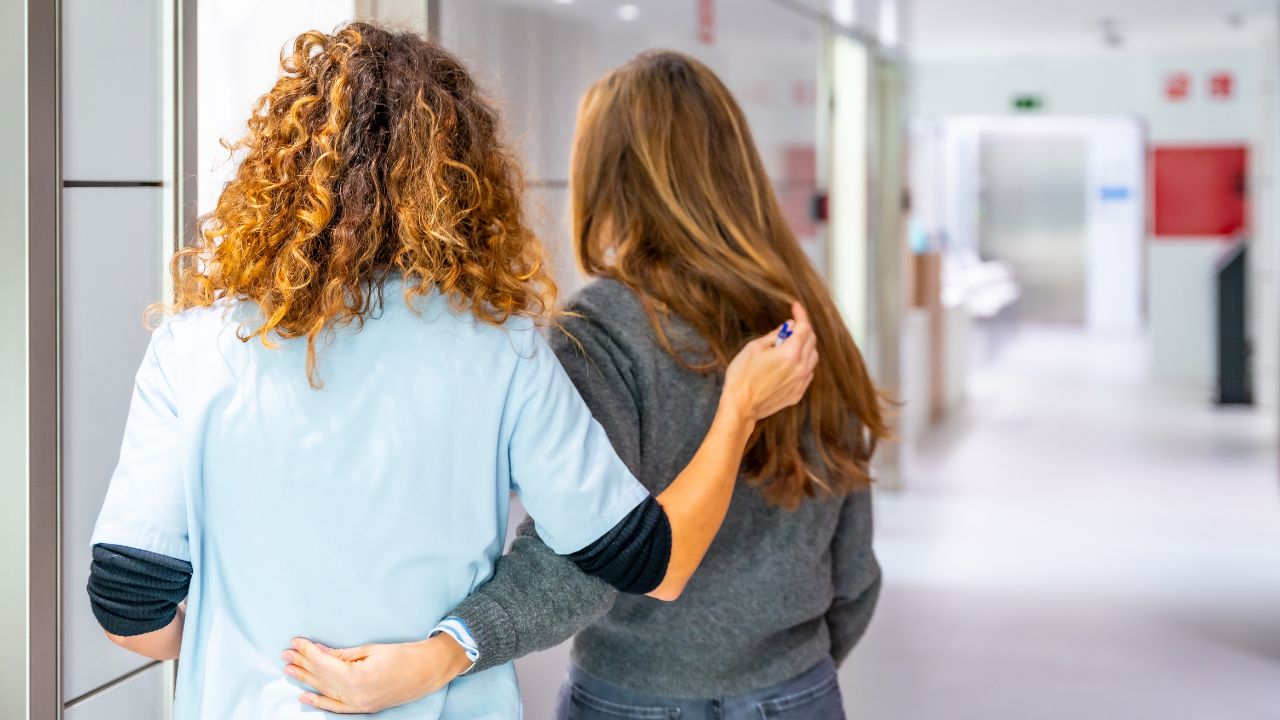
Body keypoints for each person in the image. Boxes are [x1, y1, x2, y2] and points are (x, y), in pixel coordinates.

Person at [85, 28, 818, 720]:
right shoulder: (501, 350)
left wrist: (241, 644)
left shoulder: (193, 348)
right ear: (461, 181)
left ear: (276, 168)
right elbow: (638, 554)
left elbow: (127, 609)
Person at [298, 50, 888, 719]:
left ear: (608, 177)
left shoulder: (600, 330)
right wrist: (786, 678)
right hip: (796, 689)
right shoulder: (808, 321)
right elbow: (854, 570)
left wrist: (445, 651)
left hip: (633, 697)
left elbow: (577, 554)